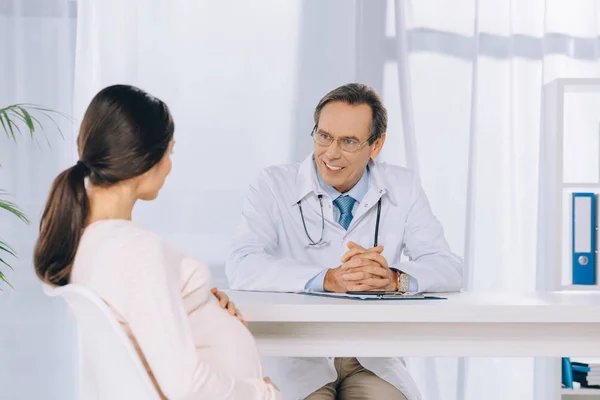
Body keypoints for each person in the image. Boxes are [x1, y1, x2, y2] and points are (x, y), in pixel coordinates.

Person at [33, 84, 281, 400]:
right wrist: (266, 394)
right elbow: (184, 385)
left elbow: (147, 339)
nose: (170, 166)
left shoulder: (88, 242)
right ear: (146, 158)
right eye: (170, 151)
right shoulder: (135, 250)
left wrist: (201, 307)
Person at [226, 83, 463, 400]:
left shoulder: (402, 186)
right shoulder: (273, 185)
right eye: (324, 136)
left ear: (376, 145)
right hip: (297, 352)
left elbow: (447, 266)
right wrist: (325, 279)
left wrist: (394, 278)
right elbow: (242, 263)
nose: (331, 153)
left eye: (348, 141)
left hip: (370, 355)